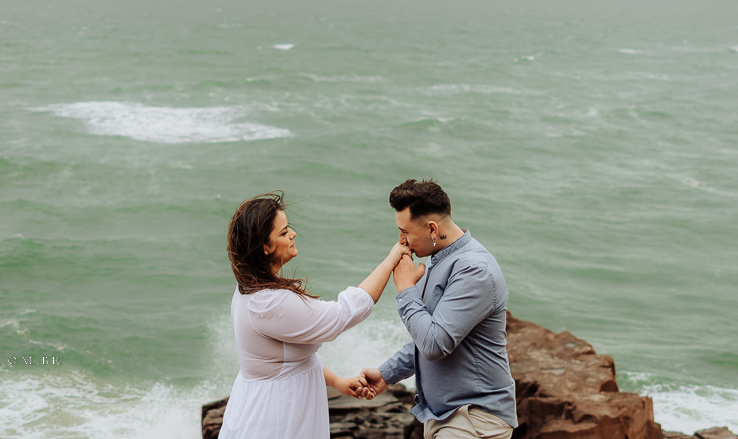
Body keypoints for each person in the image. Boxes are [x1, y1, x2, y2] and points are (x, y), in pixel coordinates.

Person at [219, 191, 411, 439]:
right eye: (283, 231)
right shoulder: (269, 304)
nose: (293, 234)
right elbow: (342, 314)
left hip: (270, 409)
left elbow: (286, 360)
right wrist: (390, 261)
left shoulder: (252, 290)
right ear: (265, 247)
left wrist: (336, 381)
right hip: (273, 421)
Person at [359, 179, 517, 439]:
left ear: (432, 228)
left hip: (474, 419)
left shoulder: (473, 270)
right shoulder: (440, 259)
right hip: (445, 417)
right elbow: (429, 335)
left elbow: (434, 344)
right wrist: (387, 374)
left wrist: (406, 288)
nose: (402, 241)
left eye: (405, 231)